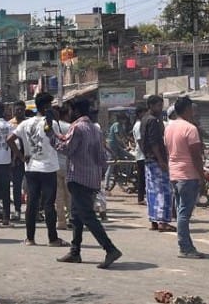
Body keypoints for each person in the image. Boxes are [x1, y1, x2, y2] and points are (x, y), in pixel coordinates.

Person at [55, 97, 121, 269]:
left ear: (75, 111)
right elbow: (101, 157)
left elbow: (67, 149)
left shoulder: (77, 128)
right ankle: (75, 251)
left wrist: (52, 140)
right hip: (92, 178)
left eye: (70, 110)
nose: (68, 114)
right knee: (76, 216)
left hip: (79, 178)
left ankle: (110, 248)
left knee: (87, 216)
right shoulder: (95, 129)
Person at [11, 92, 65, 247]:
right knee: (49, 204)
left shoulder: (25, 124)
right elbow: (59, 143)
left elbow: (10, 140)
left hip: (31, 168)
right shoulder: (52, 124)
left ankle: (30, 238)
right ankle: (53, 239)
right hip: (48, 169)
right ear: (47, 106)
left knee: (32, 204)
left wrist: (21, 157)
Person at [164, 96, 205, 259]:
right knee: (184, 213)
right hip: (188, 174)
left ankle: (187, 245)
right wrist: (202, 175)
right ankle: (185, 247)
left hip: (174, 173)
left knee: (182, 211)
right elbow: (196, 156)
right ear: (188, 109)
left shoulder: (169, 128)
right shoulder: (190, 128)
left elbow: (169, 151)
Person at [140, 94, 174, 232]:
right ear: (151, 106)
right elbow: (154, 143)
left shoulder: (144, 119)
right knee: (164, 191)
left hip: (148, 159)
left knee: (152, 191)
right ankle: (162, 221)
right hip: (156, 159)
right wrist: (161, 160)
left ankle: (154, 220)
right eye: (159, 105)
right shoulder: (153, 121)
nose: (161, 108)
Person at [8, 101, 29, 220]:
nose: (19, 112)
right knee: (16, 186)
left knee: (31, 186)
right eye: (17, 110)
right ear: (13, 110)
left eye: (21, 109)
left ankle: (33, 211)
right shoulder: (10, 124)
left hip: (30, 157)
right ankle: (17, 210)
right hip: (16, 159)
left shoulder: (28, 122)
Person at [131, 103, 147, 205]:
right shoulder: (138, 125)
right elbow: (140, 141)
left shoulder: (141, 124)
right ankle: (140, 198)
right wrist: (146, 153)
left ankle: (142, 197)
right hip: (141, 155)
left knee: (143, 178)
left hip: (142, 154)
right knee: (142, 178)